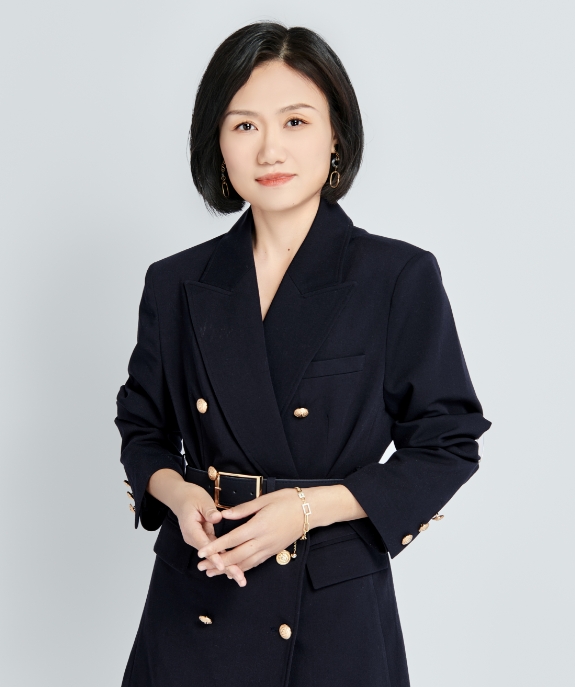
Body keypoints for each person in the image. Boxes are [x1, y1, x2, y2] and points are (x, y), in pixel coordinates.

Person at [115, 21, 491, 687]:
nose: (270, 149)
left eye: (295, 121)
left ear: (335, 134)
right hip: (198, 589)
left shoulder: (396, 276)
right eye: (244, 125)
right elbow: (143, 428)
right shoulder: (174, 282)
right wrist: (179, 494)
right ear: (217, 143)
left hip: (330, 605)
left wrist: (305, 509)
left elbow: (447, 442)